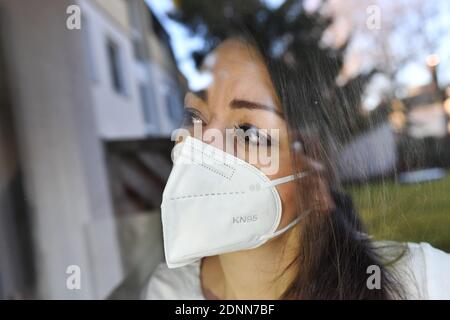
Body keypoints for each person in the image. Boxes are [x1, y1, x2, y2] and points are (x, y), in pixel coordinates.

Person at [145, 36, 450, 300]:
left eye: (250, 133)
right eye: (194, 116)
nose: (202, 144)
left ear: (315, 184)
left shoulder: (427, 283)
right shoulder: (166, 292)